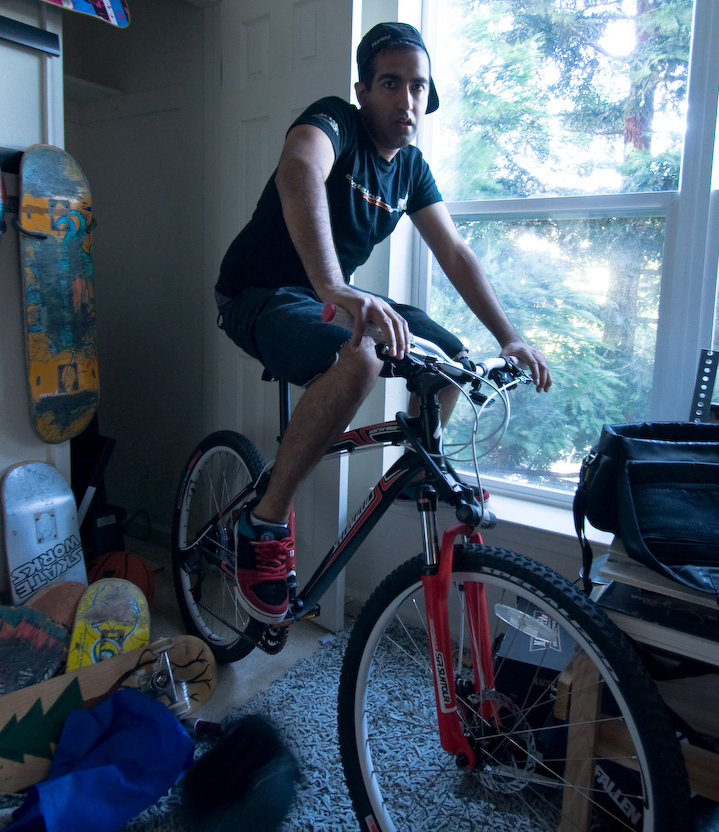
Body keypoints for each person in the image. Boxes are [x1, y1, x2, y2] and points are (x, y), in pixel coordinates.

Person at [215, 22, 552, 626]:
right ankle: (264, 521)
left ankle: (418, 465)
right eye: (390, 83)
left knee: (451, 361)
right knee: (361, 360)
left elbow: (454, 252)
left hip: (326, 296)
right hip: (259, 294)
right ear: (363, 91)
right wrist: (334, 287)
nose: (406, 99)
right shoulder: (336, 124)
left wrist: (510, 337)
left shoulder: (411, 168)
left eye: (418, 86)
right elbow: (299, 169)